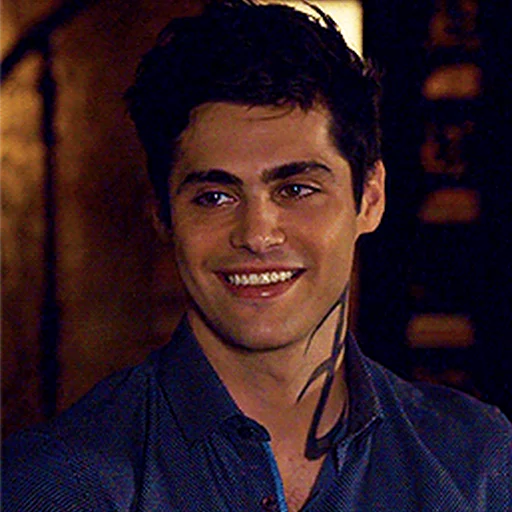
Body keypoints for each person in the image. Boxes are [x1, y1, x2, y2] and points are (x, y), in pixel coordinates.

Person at [4, 1, 511, 510]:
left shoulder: (477, 465)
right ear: (163, 215)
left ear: (371, 198)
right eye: (214, 197)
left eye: (296, 189)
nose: (257, 234)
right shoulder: (55, 483)